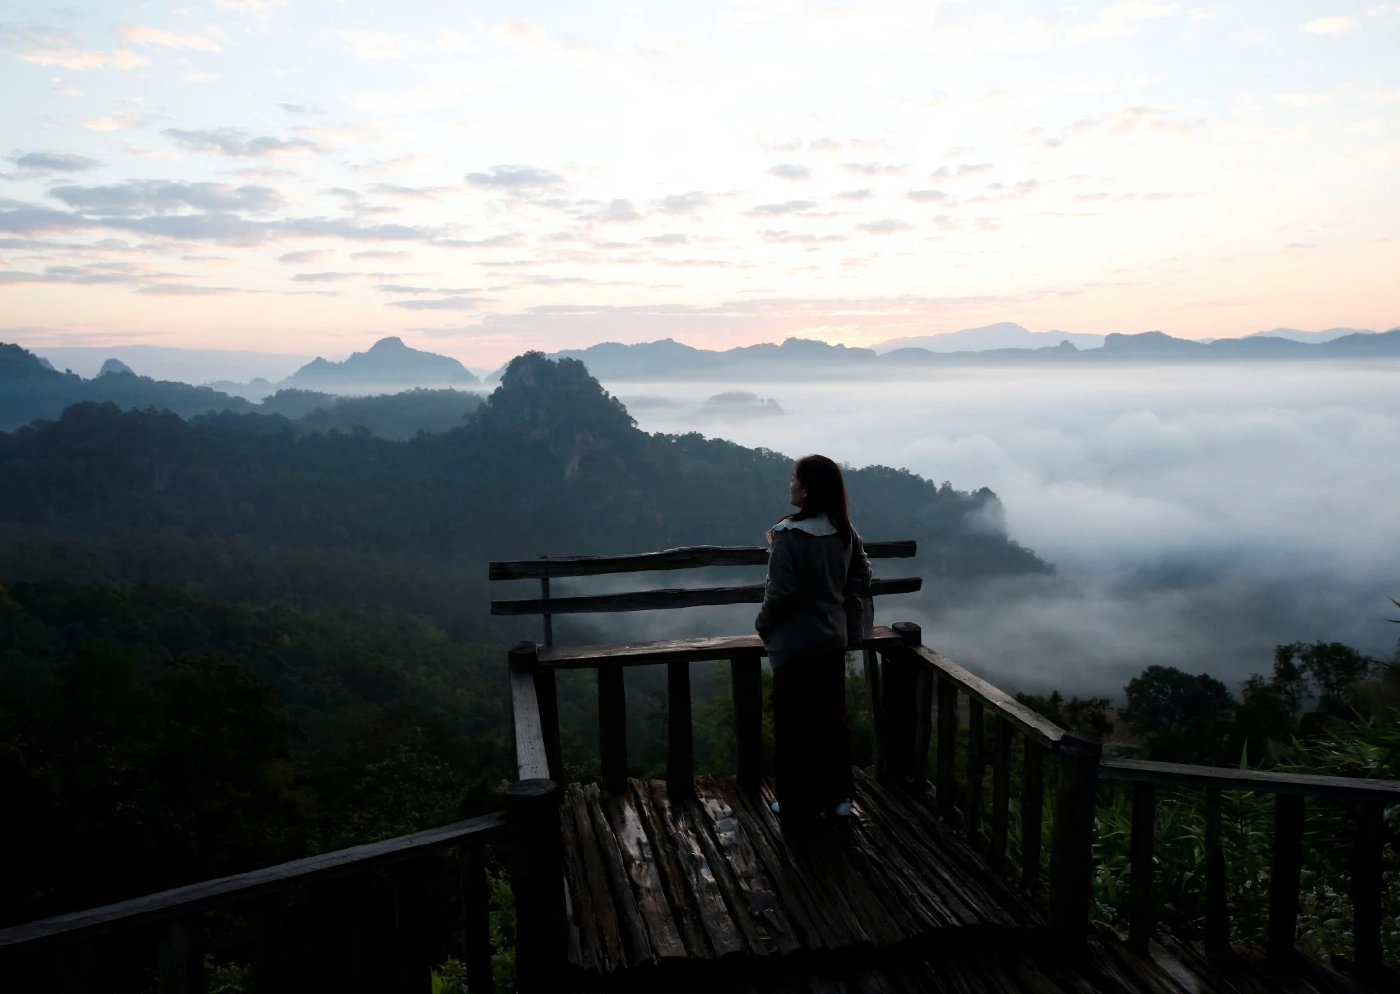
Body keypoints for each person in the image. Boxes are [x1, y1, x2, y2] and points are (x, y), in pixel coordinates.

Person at [756, 454, 872, 824]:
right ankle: (839, 798)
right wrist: (837, 604)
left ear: (807, 489)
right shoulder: (844, 531)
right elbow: (863, 576)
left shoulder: (790, 536)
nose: (790, 485)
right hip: (832, 640)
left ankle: (796, 802)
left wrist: (763, 625)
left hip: (795, 645)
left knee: (795, 726)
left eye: (795, 479)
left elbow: (780, 592)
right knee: (831, 720)